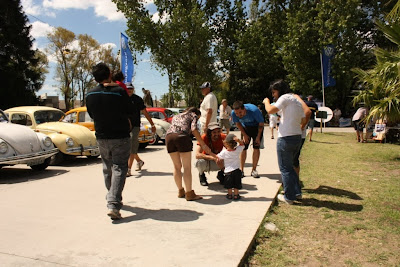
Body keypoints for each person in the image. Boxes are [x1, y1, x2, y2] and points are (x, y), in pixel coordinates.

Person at [86, 63, 135, 220]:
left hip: (102, 136)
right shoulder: (119, 92)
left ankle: (112, 196)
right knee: (120, 167)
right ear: (109, 74)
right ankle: (113, 203)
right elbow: (130, 110)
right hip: (120, 136)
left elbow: (92, 114)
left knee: (107, 168)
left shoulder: (90, 94)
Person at [263, 79, 311, 205]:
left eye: (274, 92)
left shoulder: (284, 98)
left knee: (285, 168)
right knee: (291, 167)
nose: (273, 95)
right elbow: (302, 117)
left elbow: (270, 110)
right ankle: (297, 192)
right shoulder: (296, 100)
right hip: (296, 137)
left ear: (279, 90)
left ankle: (289, 197)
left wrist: (266, 103)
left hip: (285, 138)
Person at [165, 107, 215, 201]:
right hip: (182, 136)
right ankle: (189, 193)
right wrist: (203, 144)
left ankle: (180, 191)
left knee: (176, 166)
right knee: (186, 167)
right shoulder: (193, 115)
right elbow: (194, 129)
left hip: (169, 137)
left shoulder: (176, 116)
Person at [125, 83, 156, 176]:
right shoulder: (122, 99)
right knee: (129, 148)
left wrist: (152, 124)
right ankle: (139, 161)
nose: (129, 90)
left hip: (135, 126)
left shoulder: (137, 99)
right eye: (127, 89)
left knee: (132, 146)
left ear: (133, 89)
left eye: (131, 88)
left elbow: (145, 112)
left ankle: (128, 169)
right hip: (124, 126)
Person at [231, 101, 264, 178]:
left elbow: (261, 124)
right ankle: (241, 170)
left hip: (257, 127)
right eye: (237, 113)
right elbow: (238, 123)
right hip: (245, 127)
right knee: (243, 147)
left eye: (240, 112)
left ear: (244, 109)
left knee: (256, 147)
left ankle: (254, 170)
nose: (239, 115)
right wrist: (245, 135)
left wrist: (258, 137)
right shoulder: (233, 113)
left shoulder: (254, 110)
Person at [195, 122, 226, 186]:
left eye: (218, 131)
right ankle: (201, 175)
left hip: (217, 160)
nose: (217, 134)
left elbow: (231, 150)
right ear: (210, 132)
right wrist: (212, 157)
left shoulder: (223, 137)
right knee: (200, 162)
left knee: (231, 159)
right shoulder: (204, 138)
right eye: (214, 132)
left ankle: (221, 174)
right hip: (207, 161)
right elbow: (197, 155)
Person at [217, 134, 245, 200]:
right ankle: (236, 195)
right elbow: (243, 145)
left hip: (228, 171)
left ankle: (229, 195)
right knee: (236, 184)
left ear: (226, 143)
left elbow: (218, 157)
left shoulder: (224, 152)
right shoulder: (237, 150)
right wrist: (239, 140)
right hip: (237, 171)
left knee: (229, 185)